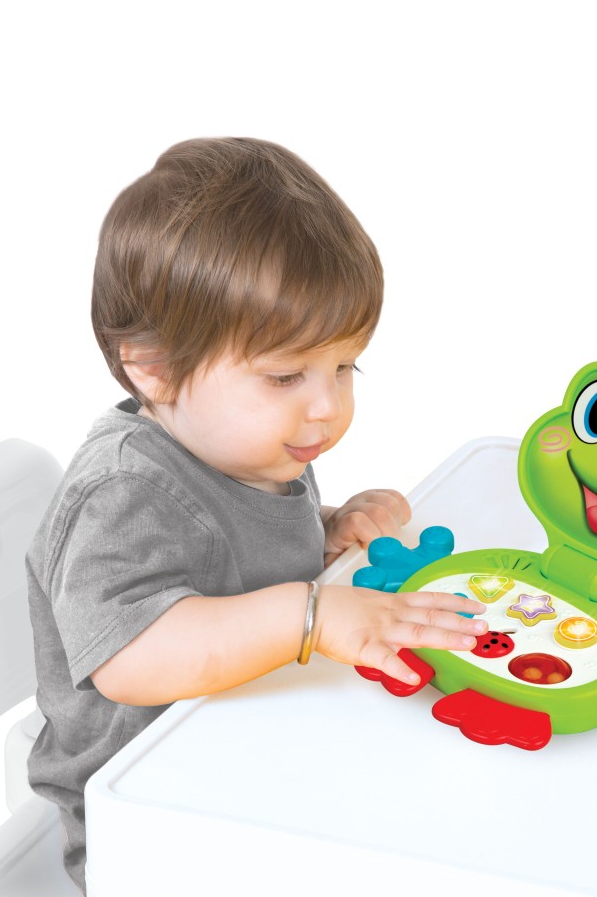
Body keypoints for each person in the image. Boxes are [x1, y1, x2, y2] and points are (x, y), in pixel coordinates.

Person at [25, 137, 488, 892]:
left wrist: (325, 528)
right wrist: (312, 615)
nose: (327, 406)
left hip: (257, 760)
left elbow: (226, 552)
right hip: (153, 830)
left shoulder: (251, 445)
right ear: (154, 368)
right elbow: (130, 657)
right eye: (285, 375)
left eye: (344, 366)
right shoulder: (121, 493)